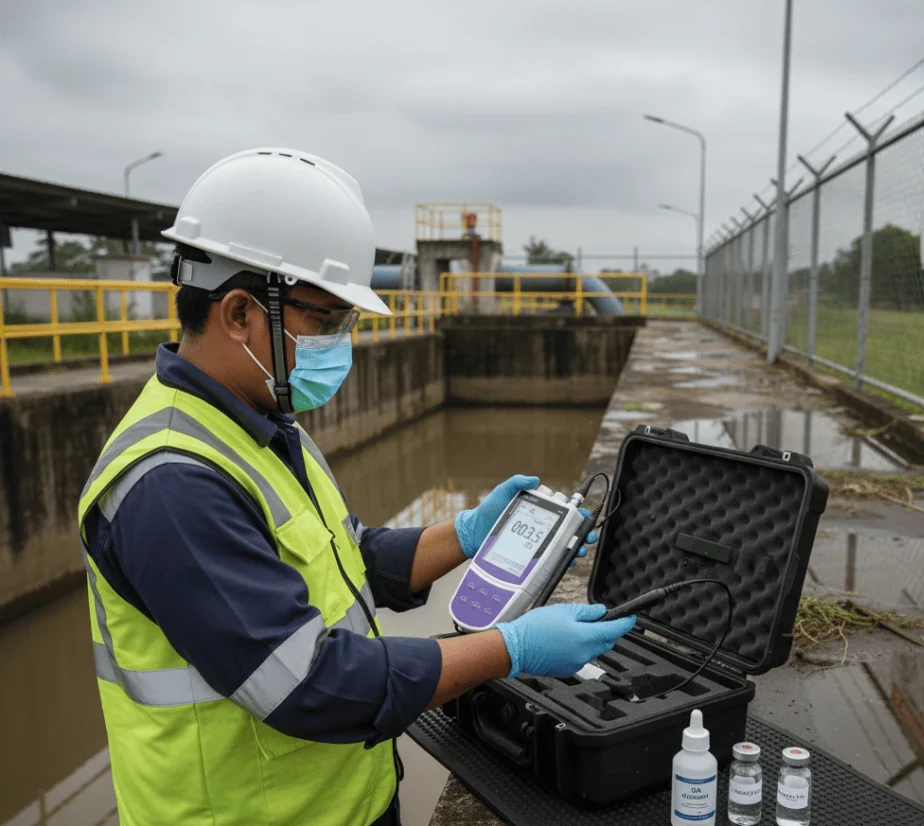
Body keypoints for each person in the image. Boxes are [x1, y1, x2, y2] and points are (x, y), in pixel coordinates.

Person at [78, 147, 636, 826]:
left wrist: (464, 535)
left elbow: (346, 561)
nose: (337, 343)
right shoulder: (170, 484)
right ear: (238, 313)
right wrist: (511, 650)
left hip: (342, 802)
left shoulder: (260, 421)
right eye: (324, 321)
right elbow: (310, 686)